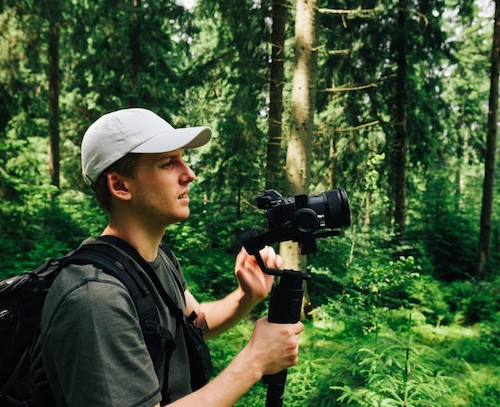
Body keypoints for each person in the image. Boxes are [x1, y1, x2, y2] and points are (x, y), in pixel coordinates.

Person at [40, 108, 303, 406]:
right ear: (120, 186)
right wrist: (254, 361)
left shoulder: (154, 256)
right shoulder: (95, 297)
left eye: (183, 159)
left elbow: (194, 323)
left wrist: (246, 297)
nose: (189, 174)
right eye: (168, 163)